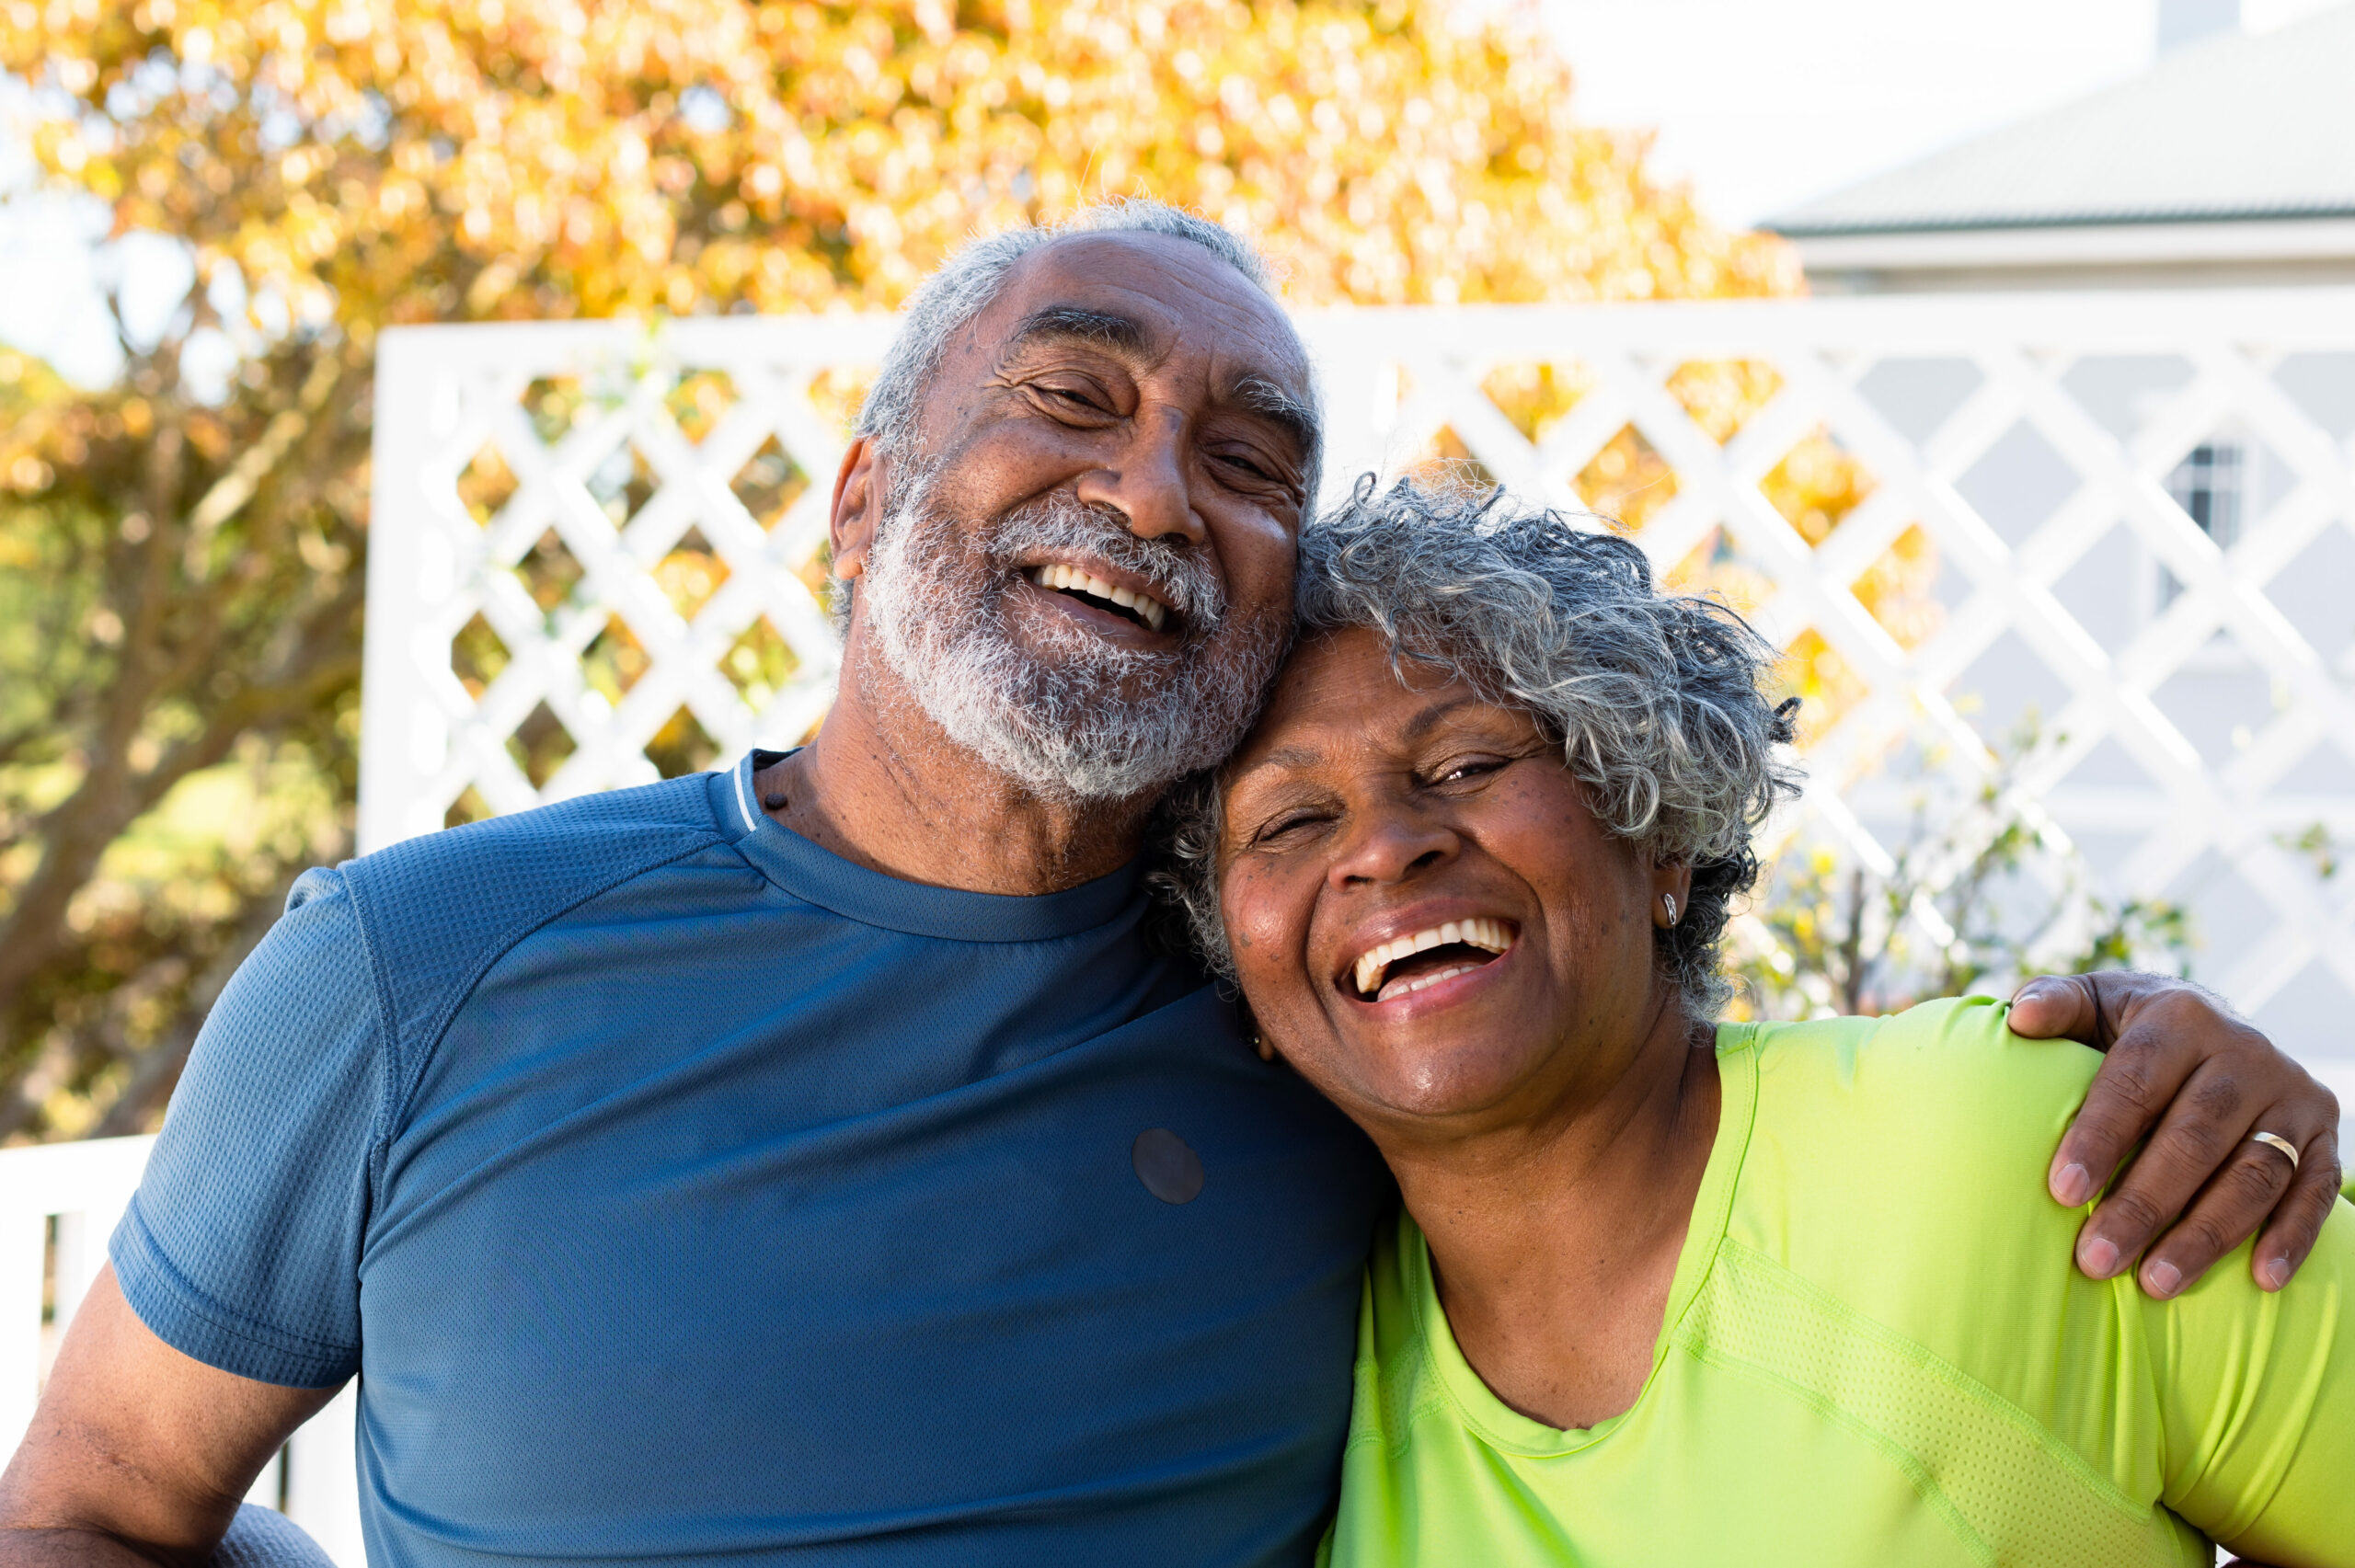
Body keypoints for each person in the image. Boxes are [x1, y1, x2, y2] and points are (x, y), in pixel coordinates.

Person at [0, 205, 2336, 1568]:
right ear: (857, 492)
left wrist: (2147, 1041)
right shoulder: (419, 972)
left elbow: (1679, 1152)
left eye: (1246, 460)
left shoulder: (1300, 1032)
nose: (1150, 491)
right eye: (1073, 399)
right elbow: (93, 1499)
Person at [1156, 477, 2355, 1566]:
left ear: (1659, 836)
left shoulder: (2007, 1147)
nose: (1382, 845)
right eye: (1291, 822)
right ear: (1240, 971)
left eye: (1469, 764)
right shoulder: (1286, 1370)